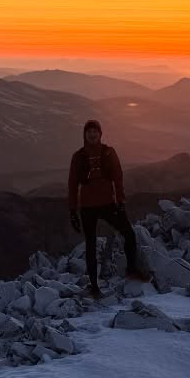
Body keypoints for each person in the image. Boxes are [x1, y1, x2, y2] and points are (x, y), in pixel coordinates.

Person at [68, 119, 149, 297]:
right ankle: (94, 286)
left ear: (100, 133)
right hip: (87, 206)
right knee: (91, 245)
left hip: (108, 203)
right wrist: (73, 210)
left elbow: (118, 177)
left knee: (128, 233)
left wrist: (120, 201)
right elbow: (73, 184)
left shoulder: (108, 152)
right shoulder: (78, 156)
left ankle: (131, 269)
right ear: (84, 134)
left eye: (95, 130)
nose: (92, 134)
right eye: (89, 131)